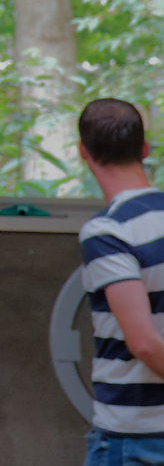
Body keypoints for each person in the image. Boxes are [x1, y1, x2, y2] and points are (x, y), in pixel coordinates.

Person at [77, 98, 164, 464]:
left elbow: (144, 343)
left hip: (136, 438)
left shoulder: (108, 231)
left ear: (83, 152)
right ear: (144, 148)